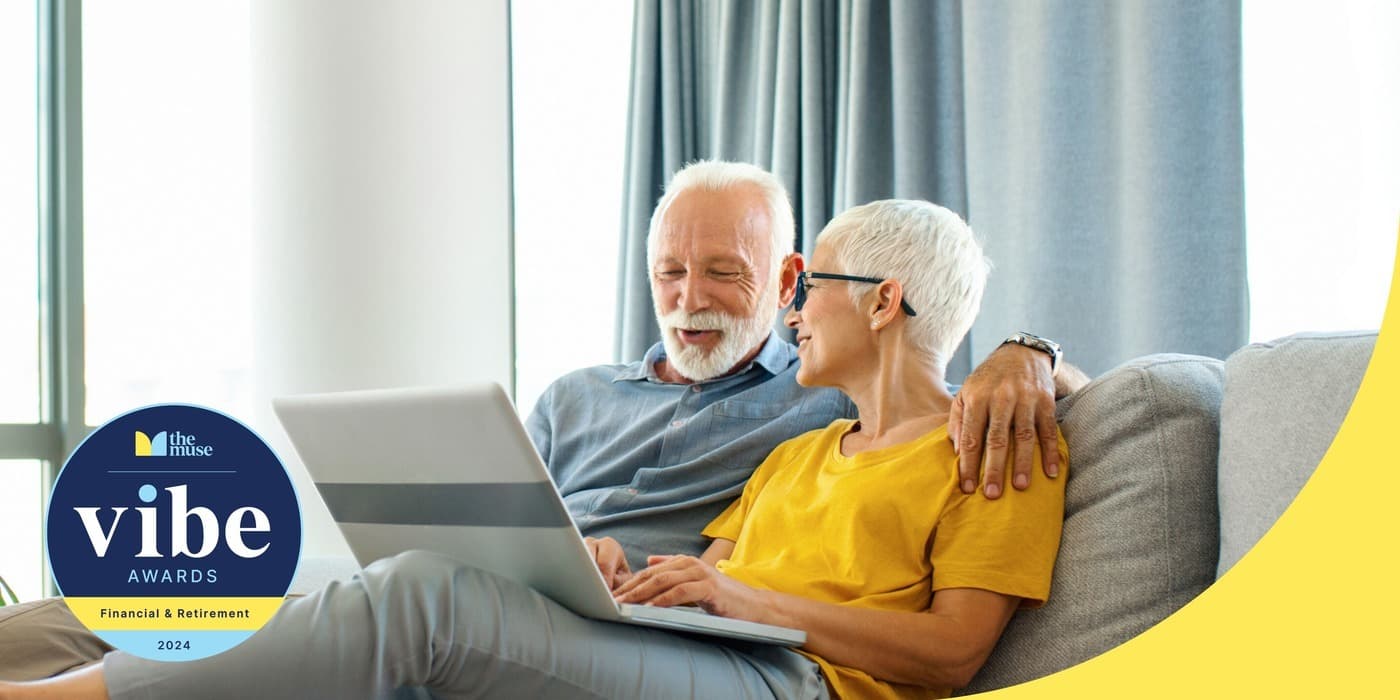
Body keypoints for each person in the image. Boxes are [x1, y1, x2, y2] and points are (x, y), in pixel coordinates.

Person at [0, 162, 1078, 697]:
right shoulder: (806, 448)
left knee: (417, 593)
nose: (793, 311)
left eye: (798, 288)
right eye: (669, 271)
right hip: (674, 636)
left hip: (788, 683)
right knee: (210, 589)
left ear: (878, 300)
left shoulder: (988, 447)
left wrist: (1027, 350)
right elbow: (705, 571)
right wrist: (623, 571)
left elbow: (950, 653)